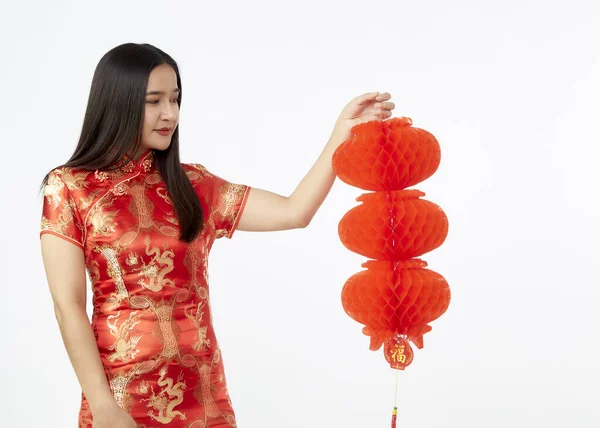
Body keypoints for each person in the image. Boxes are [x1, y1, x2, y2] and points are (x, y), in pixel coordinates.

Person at [39, 42, 394, 428]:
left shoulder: (192, 184)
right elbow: (68, 307)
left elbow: (294, 211)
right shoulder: (71, 187)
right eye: (153, 101)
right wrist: (104, 406)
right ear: (118, 102)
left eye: (175, 99)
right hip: (122, 400)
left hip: (204, 399)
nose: (169, 114)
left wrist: (341, 133)